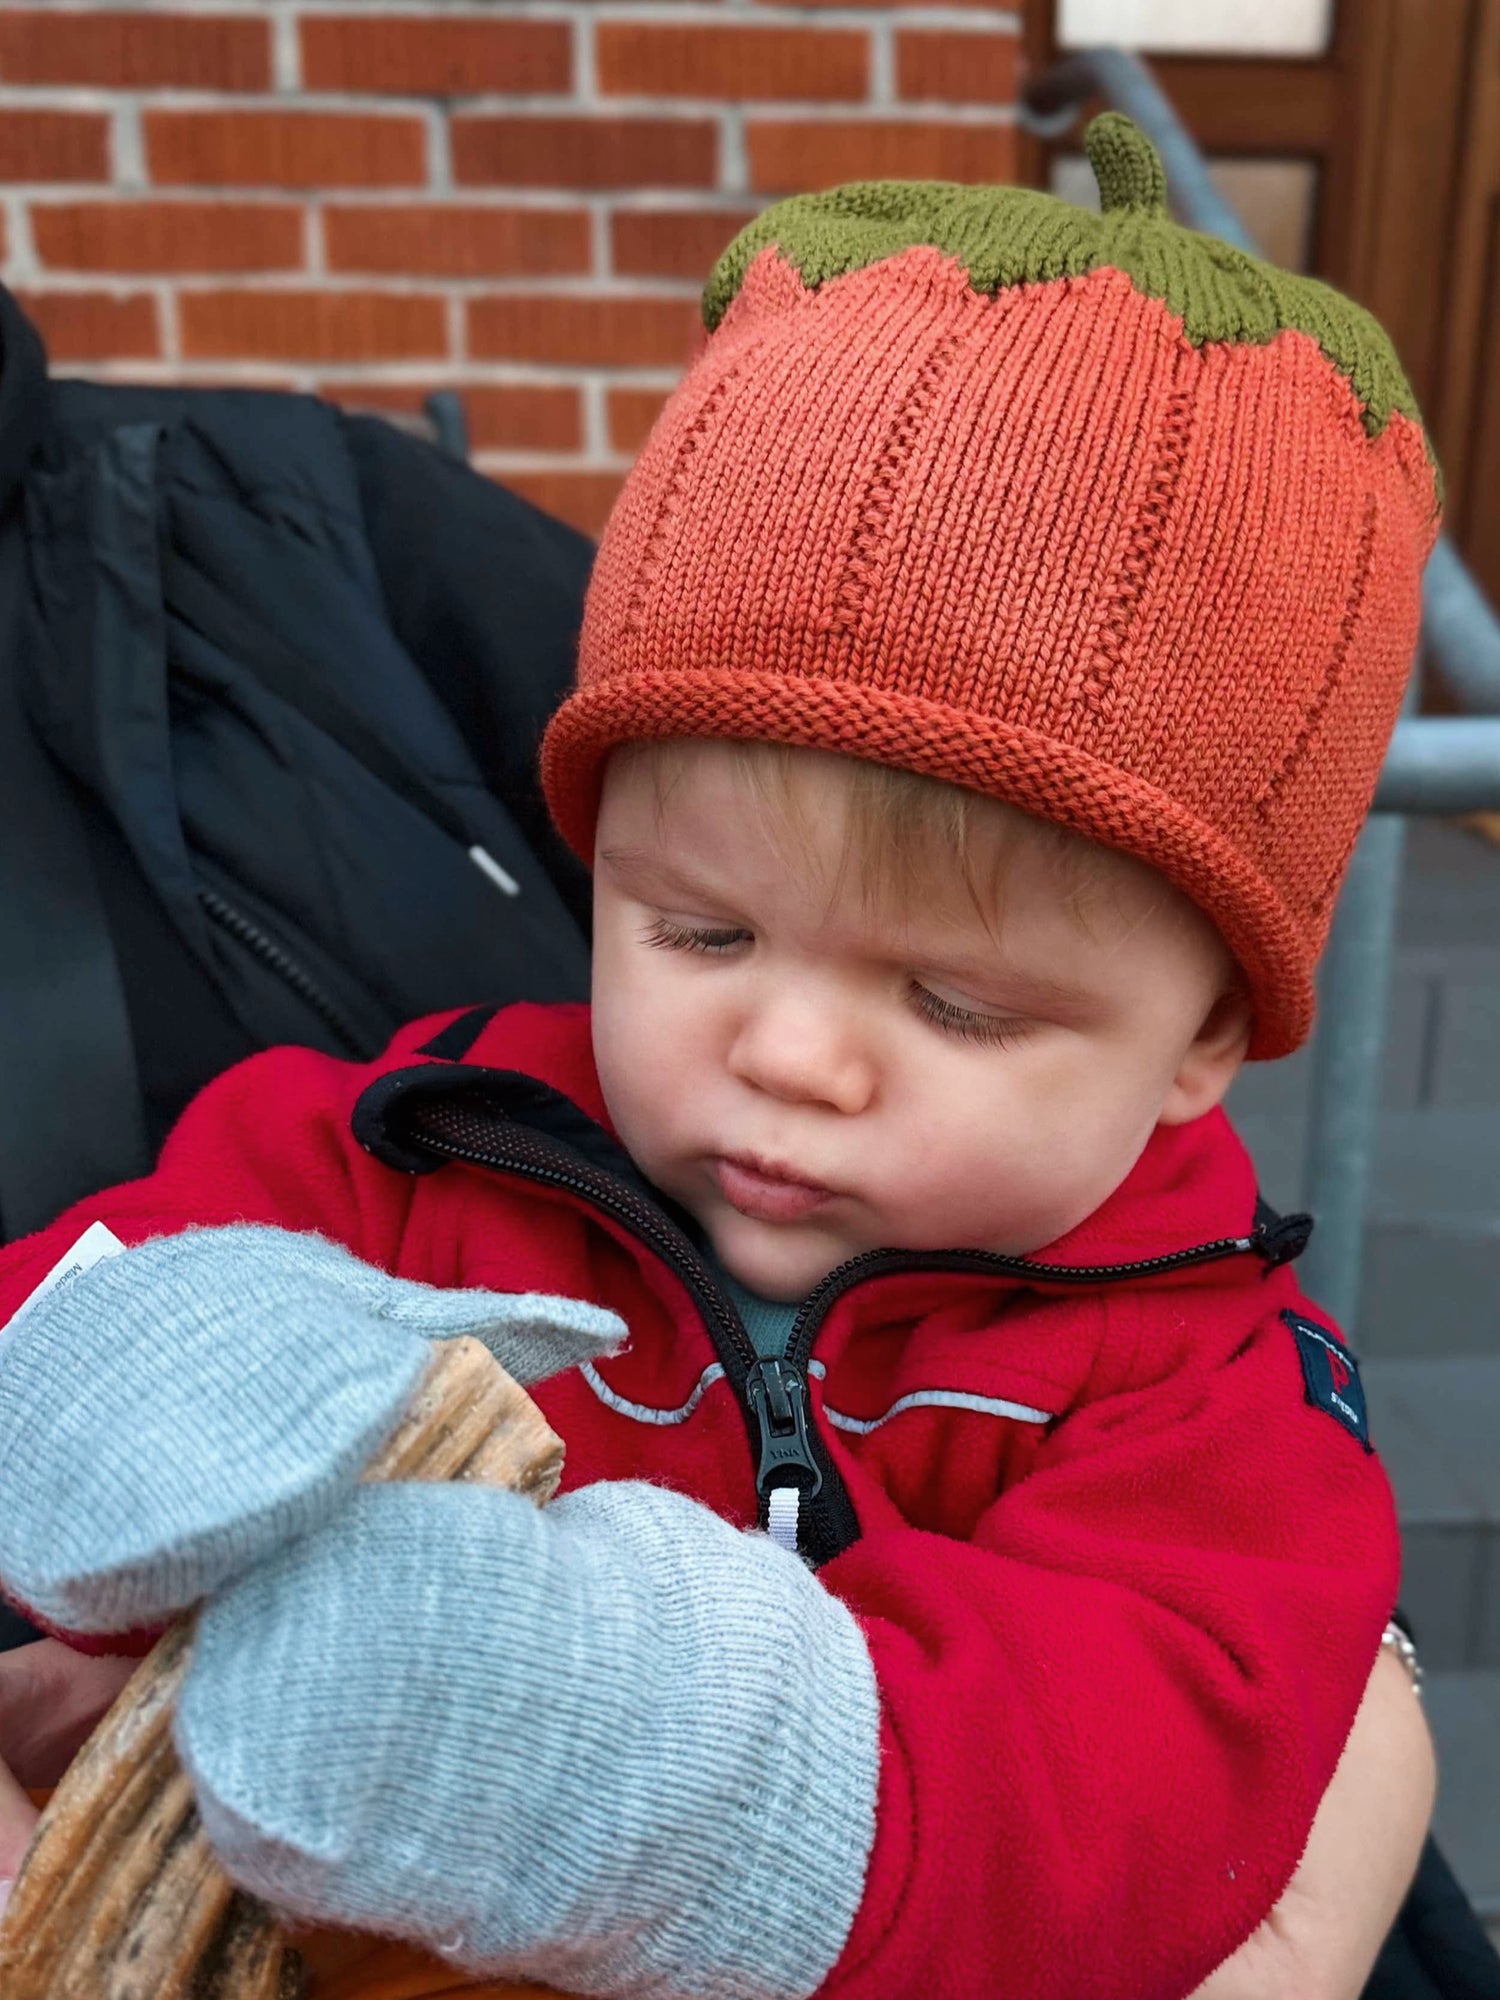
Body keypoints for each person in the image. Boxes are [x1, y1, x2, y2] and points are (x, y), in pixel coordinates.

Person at [0, 114, 1443, 2000]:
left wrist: (639, 1768)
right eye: (697, 932)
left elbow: (1117, 1807)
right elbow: (83, 1320)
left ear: (1209, 1040)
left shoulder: (1205, 1408)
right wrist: (146, 1395)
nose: (784, 1052)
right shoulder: (418, 1153)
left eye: (958, 1007)